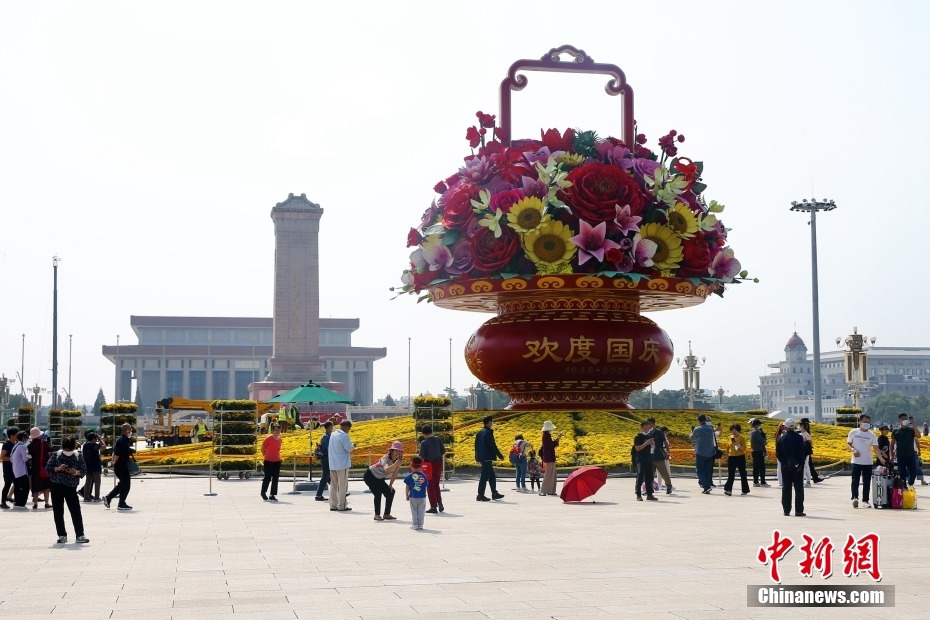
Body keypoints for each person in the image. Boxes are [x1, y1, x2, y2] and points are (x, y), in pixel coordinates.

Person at [46, 436, 89, 544]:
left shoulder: (78, 455)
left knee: (75, 511)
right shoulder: (57, 454)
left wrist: (74, 472)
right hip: (56, 485)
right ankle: (61, 535)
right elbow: (48, 468)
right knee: (58, 511)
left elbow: (83, 471)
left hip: (71, 487)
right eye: (66, 448)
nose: (67, 451)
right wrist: (59, 468)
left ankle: (80, 535)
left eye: (69, 449)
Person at [846, 413, 885, 508]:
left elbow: (876, 448)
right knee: (855, 480)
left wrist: (881, 458)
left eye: (868, 422)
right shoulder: (853, 432)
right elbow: (848, 444)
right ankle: (854, 498)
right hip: (856, 461)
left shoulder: (872, 435)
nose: (866, 423)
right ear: (860, 422)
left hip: (868, 462)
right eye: (864, 422)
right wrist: (853, 450)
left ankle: (865, 500)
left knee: (867, 482)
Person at [364, 440, 404, 521]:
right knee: (378, 493)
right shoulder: (385, 458)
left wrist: (390, 485)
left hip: (380, 478)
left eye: (399, 451)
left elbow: (395, 473)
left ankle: (387, 514)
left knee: (391, 492)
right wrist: (396, 464)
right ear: (391, 450)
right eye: (396, 450)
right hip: (370, 475)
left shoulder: (398, 460)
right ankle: (377, 515)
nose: (398, 452)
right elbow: (387, 470)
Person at [776, 418, 807, 516]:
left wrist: (784, 463)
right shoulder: (799, 438)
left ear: (785, 426)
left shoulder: (781, 438)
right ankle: (799, 510)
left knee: (786, 488)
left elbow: (778, 454)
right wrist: (801, 465)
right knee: (799, 488)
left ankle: (786, 510)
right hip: (797, 467)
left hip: (785, 467)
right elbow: (801, 453)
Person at [103, 423, 134, 511]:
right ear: (126, 430)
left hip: (120, 465)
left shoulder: (121, 439)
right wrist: (114, 463)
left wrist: (114, 462)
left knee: (122, 484)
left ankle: (108, 498)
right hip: (121, 466)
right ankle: (121, 503)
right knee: (126, 485)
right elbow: (117, 454)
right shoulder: (123, 440)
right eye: (130, 429)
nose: (131, 431)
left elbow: (114, 452)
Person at [475, 415, 504, 501]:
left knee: (491, 475)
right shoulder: (488, 433)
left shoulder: (479, 433)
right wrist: (499, 455)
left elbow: (476, 445)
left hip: (482, 456)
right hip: (487, 456)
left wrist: (476, 456)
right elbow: (492, 445)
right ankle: (480, 495)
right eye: (491, 422)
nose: (492, 424)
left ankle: (494, 493)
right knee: (484, 476)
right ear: (489, 422)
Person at [418, 424, 446, 512]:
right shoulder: (438, 439)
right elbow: (443, 451)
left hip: (429, 464)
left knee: (429, 485)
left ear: (423, 433)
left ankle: (433, 506)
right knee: (436, 484)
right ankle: (440, 502)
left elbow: (421, 456)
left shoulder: (424, 443)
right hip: (438, 463)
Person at [328, 420, 354, 512]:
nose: (349, 431)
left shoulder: (333, 435)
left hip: (332, 464)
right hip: (342, 464)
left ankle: (333, 504)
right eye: (349, 429)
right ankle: (342, 505)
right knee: (342, 485)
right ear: (347, 427)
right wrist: (353, 445)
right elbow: (349, 449)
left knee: (333, 485)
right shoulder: (344, 436)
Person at [689, 414, 716, 494]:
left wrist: (691, 432)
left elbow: (691, 437)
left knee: (700, 471)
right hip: (710, 453)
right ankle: (708, 486)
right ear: (705, 419)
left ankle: (706, 486)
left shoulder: (698, 429)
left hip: (700, 453)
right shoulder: (711, 429)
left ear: (698, 420)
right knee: (707, 471)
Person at [633, 420, 658, 501]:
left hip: (649, 459)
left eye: (648, 427)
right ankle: (638, 494)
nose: (647, 429)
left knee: (650, 477)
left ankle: (649, 494)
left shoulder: (649, 436)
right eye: (645, 427)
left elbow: (652, 448)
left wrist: (653, 445)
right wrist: (646, 443)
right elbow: (637, 448)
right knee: (640, 477)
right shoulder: (638, 437)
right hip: (641, 460)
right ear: (642, 427)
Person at [891, 412, 918, 487]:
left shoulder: (911, 430)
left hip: (911, 455)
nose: (905, 420)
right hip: (900, 455)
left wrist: (913, 425)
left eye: (906, 419)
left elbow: (918, 436)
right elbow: (892, 444)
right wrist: (891, 455)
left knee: (913, 473)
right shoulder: (896, 431)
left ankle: (910, 483)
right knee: (902, 473)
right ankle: (904, 487)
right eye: (903, 419)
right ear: (899, 420)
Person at [723, 423, 750, 496]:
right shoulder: (730, 438)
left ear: (738, 430)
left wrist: (737, 445)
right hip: (732, 458)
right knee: (731, 474)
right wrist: (727, 456)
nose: (733, 432)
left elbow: (744, 449)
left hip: (740, 457)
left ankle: (745, 490)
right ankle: (728, 490)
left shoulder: (742, 438)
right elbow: (727, 448)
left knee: (743, 474)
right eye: (732, 431)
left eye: (735, 431)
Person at [28, 428, 51, 509]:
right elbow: (50, 450)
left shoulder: (30, 446)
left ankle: (35, 503)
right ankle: (46, 503)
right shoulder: (44, 443)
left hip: (35, 468)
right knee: (46, 486)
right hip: (44, 467)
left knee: (35, 486)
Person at [404, 455, 429, 530]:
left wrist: (406, 495)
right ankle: (420, 524)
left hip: (413, 496)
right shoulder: (424, 476)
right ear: (421, 466)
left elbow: (407, 487)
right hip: (422, 497)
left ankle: (415, 524)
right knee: (421, 511)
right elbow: (426, 485)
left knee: (414, 511)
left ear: (411, 466)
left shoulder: (409, 476)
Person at [260, 424, 283, 501]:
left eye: (279, 430)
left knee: (275, 478)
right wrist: (265, 455)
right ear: (272, 431)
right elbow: (262, 448)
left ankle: (272, 494)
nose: (277, 431)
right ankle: (263, 492)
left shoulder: (280, 440)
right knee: (267, 477)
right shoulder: (268, 439)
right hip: (268, 461)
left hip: (277, 461)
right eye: (276, 430)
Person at [539, 420, 561, 496]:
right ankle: (543, 490)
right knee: (549, 474)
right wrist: (558, 439)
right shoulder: (546, 436)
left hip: (550, 457)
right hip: (549, 457)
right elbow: (551, 445)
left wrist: (557, 439)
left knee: (552, 474)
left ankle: (550, 490)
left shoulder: (546, 435)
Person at [81, 432, 104, 502]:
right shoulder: (94, 445)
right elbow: (104, 446)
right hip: (95, 465)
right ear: (93, 438)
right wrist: (101, 439)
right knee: (97, 481)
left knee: (88, 481)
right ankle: (97, 497)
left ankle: (86, 497)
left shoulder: (84, 445)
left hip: (87, 465)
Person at [11, 430, 30, 509]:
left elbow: (11, 459)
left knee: (18, 487)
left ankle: (17, 502)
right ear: (23, 437)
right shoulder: (22, 446)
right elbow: (25, 459)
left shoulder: (15, 446)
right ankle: (21, 504)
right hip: (22, 471)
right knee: (25, 487)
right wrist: (30, 456)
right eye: (26, 437)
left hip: (15, 470)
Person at [314, 421, 333, 502]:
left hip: (327, 458)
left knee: (329, 477)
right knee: (326, 476)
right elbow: (329, 449)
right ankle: (318, 495)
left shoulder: (326, 436)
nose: (332, 429)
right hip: (326, 459)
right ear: (328, 428)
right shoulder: (326, 437)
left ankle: (339, 492)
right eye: (331, 427)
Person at [652, 424, 673, 494]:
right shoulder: (646, 433)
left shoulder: (659, 432)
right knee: (649, 474)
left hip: (659, 456)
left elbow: (665, 443)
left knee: (664, 473)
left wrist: (668, 453)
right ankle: (649, 488)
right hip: (650, 457)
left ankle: (669, 486)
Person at [0, 426, 18, 510]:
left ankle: (16, 500)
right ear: (11, 435)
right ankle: (3, 502)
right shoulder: (6, 445)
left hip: (15, 468)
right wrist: (11, 459)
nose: (17, 436)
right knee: (7, 484)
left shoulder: (16, 444)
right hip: (8, 468)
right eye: (16, 434)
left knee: (17, 484)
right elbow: (2, 457)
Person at [749, 419, 769, 487]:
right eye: (759, 424)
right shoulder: (756, 432)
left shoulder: (751, 432)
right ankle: (762, 482)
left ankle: (756, 481)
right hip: (759, 451)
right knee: (761, 467)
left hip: (754, 451)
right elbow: (763, 441)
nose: (760, 426)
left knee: (756, 467)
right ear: (756, 425)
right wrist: (763, 434)